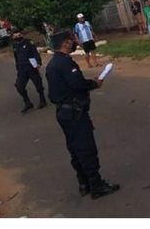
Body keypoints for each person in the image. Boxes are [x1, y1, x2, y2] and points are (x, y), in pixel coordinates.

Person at [45, 30, 120, 200]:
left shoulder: (53, 64)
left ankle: (83, 182)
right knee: (86, 148)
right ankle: (96, 185)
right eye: (72, 40)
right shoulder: (65, 63)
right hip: (75, 114)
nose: (75, 42)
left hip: (64, 112)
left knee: (74, 148)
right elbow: (77, 84)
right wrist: (94, 83)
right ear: (65, 43)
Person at [12, 27, 47, 113]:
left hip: (31, 67)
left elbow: (35, 53)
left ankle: (43, 100)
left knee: (38, 84)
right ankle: (27, 102)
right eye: (15, 35)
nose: (17, 36)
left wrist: (38, 62)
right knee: (19, 86)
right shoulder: (15, 45)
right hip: (22, 69)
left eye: (19, 34)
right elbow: (16, 57)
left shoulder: (28, 42)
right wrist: (17, 67)